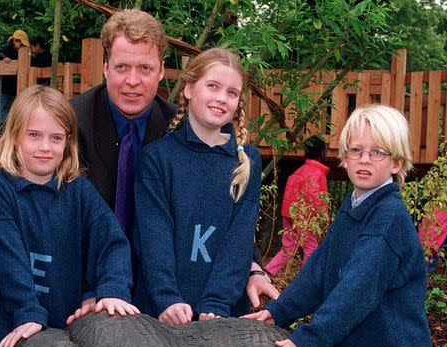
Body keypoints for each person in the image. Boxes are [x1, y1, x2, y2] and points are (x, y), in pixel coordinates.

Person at [246, 104, 434, 347]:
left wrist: (309, 340)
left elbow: (356, 291)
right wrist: (279, 312)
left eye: (378, 152)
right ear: (344, 158)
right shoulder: (354, 208)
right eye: (356, 151)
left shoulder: (388, 219)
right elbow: (320, 272)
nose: (365, 160)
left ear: (397, 163)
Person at [71, 9, 277, 308]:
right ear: (105, 68)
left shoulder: (179, 128)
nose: (132, 80)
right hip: (87, 283)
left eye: (144, 68)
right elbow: (57, 216)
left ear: (160, 71)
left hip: (157, 289)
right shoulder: (72, 124)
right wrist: (87, 290)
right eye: (122, 67)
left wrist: (254, 267)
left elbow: (222, 205)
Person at [0, 85, 139, 347]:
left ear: (68, 143)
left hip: (66, 331)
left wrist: (111, 290)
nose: (45, 147)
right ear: (14, 136)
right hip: (13, 331)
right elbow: (9, 262)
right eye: (34, 135)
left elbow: (112, 241)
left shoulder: (78, 189)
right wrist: (27, 313)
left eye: (56, 138)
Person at [134, 48, 262, 324]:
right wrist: (166, 298)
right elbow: (154, 234)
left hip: (220, 313)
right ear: (189, 88)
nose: (221, 99)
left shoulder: (247, 161)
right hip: (161, 313)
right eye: (212, 86)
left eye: (232, 92)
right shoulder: (157, 158)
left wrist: (218, 301)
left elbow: (239, 241)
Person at [265, 135, 330, 275]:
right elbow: (315, 198)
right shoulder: (316, 173)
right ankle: (305, 281)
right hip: (305, 217)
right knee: (310, 248)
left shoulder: (298, 171)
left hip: (289, 213)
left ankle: (268, 272)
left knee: (289, 247)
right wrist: (322, 217)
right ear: (322, 152)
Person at [418, 140, 447, 285]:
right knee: (429, 263)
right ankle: (417, 285)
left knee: (446, 250)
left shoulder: (436, 179)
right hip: (437, 229)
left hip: (432, 226)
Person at [0, 29, 29, 130]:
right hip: (1, 85)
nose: (22, 46)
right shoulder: (5, 48)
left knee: (10, 108)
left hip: (12, 86)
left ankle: (6, 128)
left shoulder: (20, 51)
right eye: (21, 44)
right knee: (1, 106)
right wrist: (3, 57)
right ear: (15, 41)